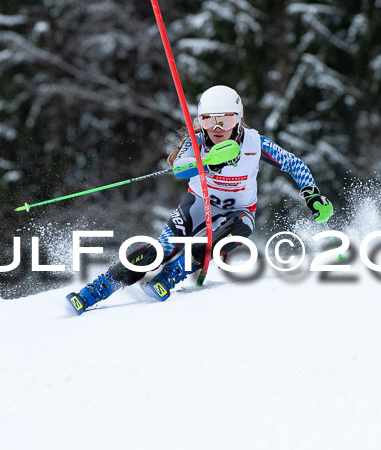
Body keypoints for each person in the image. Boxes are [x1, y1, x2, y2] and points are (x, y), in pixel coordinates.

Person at [66, 85, 333, 314]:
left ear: (238, 120)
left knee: (233, 231)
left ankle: (171, 277)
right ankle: (95, 291)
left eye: (225, 121)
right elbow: (179, 169)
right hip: (197, 204)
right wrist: (207, 162)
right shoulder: (196, 142)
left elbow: (293, 163)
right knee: (159, 250)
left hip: (239, 211)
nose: (216, 128)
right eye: (208, 120)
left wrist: (312, 194)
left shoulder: (255, 143)